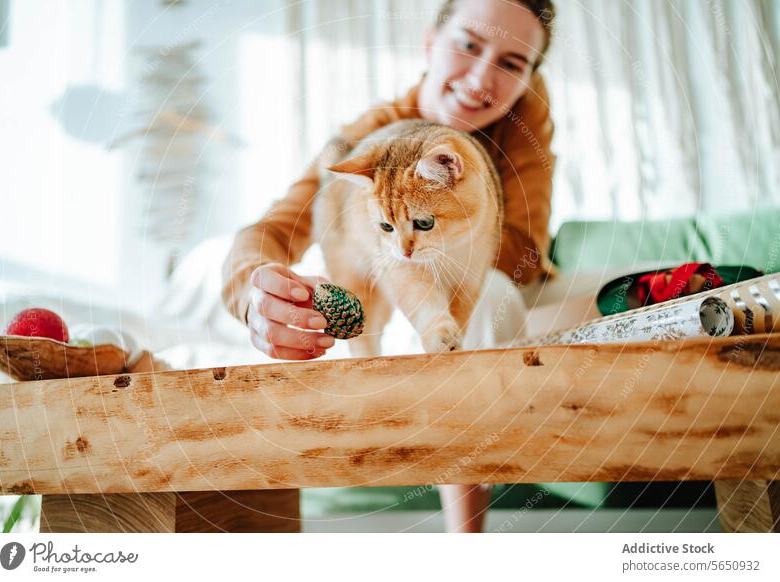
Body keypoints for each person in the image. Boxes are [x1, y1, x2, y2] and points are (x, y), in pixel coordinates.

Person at [222, 0, 557, 532]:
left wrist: (451, 222)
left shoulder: (526, 121)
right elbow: (274, 229)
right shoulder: (366, 136)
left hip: (493, 275)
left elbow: (526, 250)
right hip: (397, 260)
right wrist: (253, 296)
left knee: (491, 298)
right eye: (469, 45)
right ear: (430, 42)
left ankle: (467, 536)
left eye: (512, 64)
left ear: (530, 79)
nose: (481, 78)